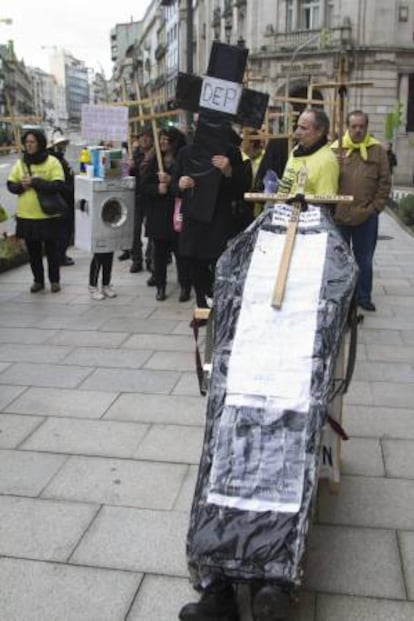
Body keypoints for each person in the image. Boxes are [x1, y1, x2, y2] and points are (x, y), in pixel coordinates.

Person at [179, 109, 339, 621]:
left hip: (292, 376)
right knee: (224, 462)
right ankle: (217, 584)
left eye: (305, 128)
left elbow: (335, 301)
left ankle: (275, 578)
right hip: (247, 375)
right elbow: (227, 283)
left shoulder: (328, 248)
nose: (297, 134)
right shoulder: (250, 246)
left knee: (285, 465)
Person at [174, 128, 251, 308]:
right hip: (194, 219)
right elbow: (174, 184)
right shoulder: (186, 153)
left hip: (219, 220)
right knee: (194, 263)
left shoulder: (231, 152)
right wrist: (179, 183)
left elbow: (242, 188)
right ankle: (202, 304)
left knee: (220, 264)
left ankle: (221, 306)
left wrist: (229, 171)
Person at [331, 110, 391, 311]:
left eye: (361, 126)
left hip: (366, 215)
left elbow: (385, 181)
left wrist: (376, 208)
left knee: (364, 259)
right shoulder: (335, 150)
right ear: (347, 128)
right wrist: (334, 166)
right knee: (339, 260)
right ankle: (340, 297)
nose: (357, 130)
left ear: (367, 127)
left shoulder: (377, 151)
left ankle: (364, 296)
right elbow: (327, 180)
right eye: (353, 126)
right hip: (339, 216)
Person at [7, 127, 65, 293]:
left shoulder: (52, 162)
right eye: (27, 142)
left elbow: (58, 185)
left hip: (48, 215)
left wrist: (36, 182)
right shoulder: (21, 163)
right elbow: (11, 185)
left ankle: (54, 280)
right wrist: (21, 186)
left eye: (32, 142)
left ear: (40, 143)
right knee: (33, 252)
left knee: (52, 250)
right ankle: (38, 280)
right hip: (26, 215)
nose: (29, 145)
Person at [140, 127, 191, 302]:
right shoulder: (154, 161)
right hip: (158, 216)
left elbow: (187, 187)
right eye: (160, 138)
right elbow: (143, 187)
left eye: (165, 138)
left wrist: (171, 182)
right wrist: (157, 189)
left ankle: (185, 285)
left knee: (182, 254)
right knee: (159, 255)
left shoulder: (182, 160)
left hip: (177, 215)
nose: (162, 141)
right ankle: (160, 286)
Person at [278, 107, 339, 196]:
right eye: (297, 127)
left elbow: (325, 202)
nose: (297, 132)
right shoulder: (296, 150)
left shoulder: (327, 161)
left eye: (303, 128)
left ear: (320, 131)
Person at [129, 127, 155, 273]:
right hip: (137, 196)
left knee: (151, 230)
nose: (144, 139)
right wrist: (129, 167)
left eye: (147, 136)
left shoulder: (156, 154)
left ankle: (150, 259)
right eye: (142, 137)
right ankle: (136, 259)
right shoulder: (134, 155)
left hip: (151, 196)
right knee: (135, 230)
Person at [48, 129, 75, 266]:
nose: (63, 147)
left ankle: (61, 254)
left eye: (64, 144)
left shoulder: (59, 158)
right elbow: (59, 182)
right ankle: (60, 256)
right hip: (62, 199)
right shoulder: (53, 160)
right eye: (60, 144)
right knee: (64, 230)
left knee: (65, 230)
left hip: (65, 198)